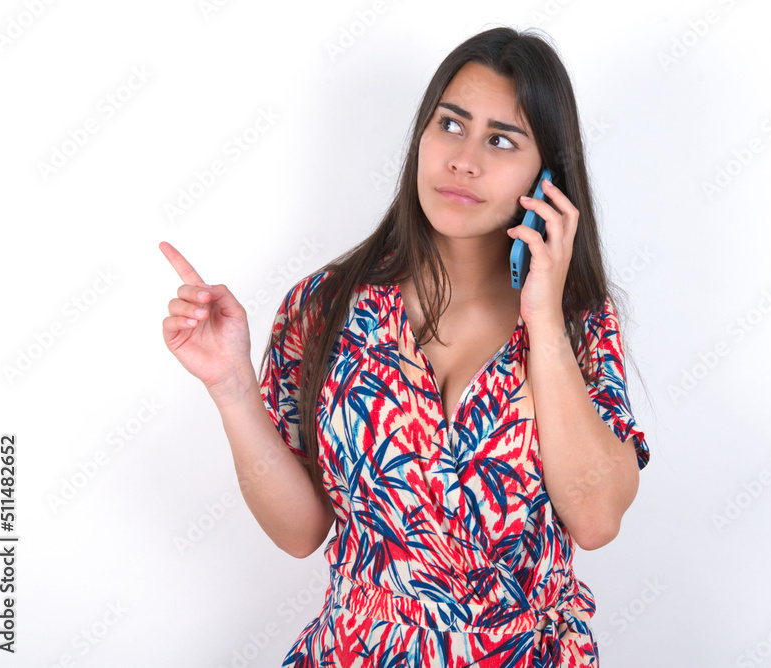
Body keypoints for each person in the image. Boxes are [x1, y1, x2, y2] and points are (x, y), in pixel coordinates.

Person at [160, 25, 649, 668]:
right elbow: (302, 531)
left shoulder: (578, 322)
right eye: (450, 125)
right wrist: (230, 389)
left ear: (548, 174)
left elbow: (596, 519)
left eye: (501, 140)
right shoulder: (323, 306)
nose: (463, 160)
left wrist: (544, 322)